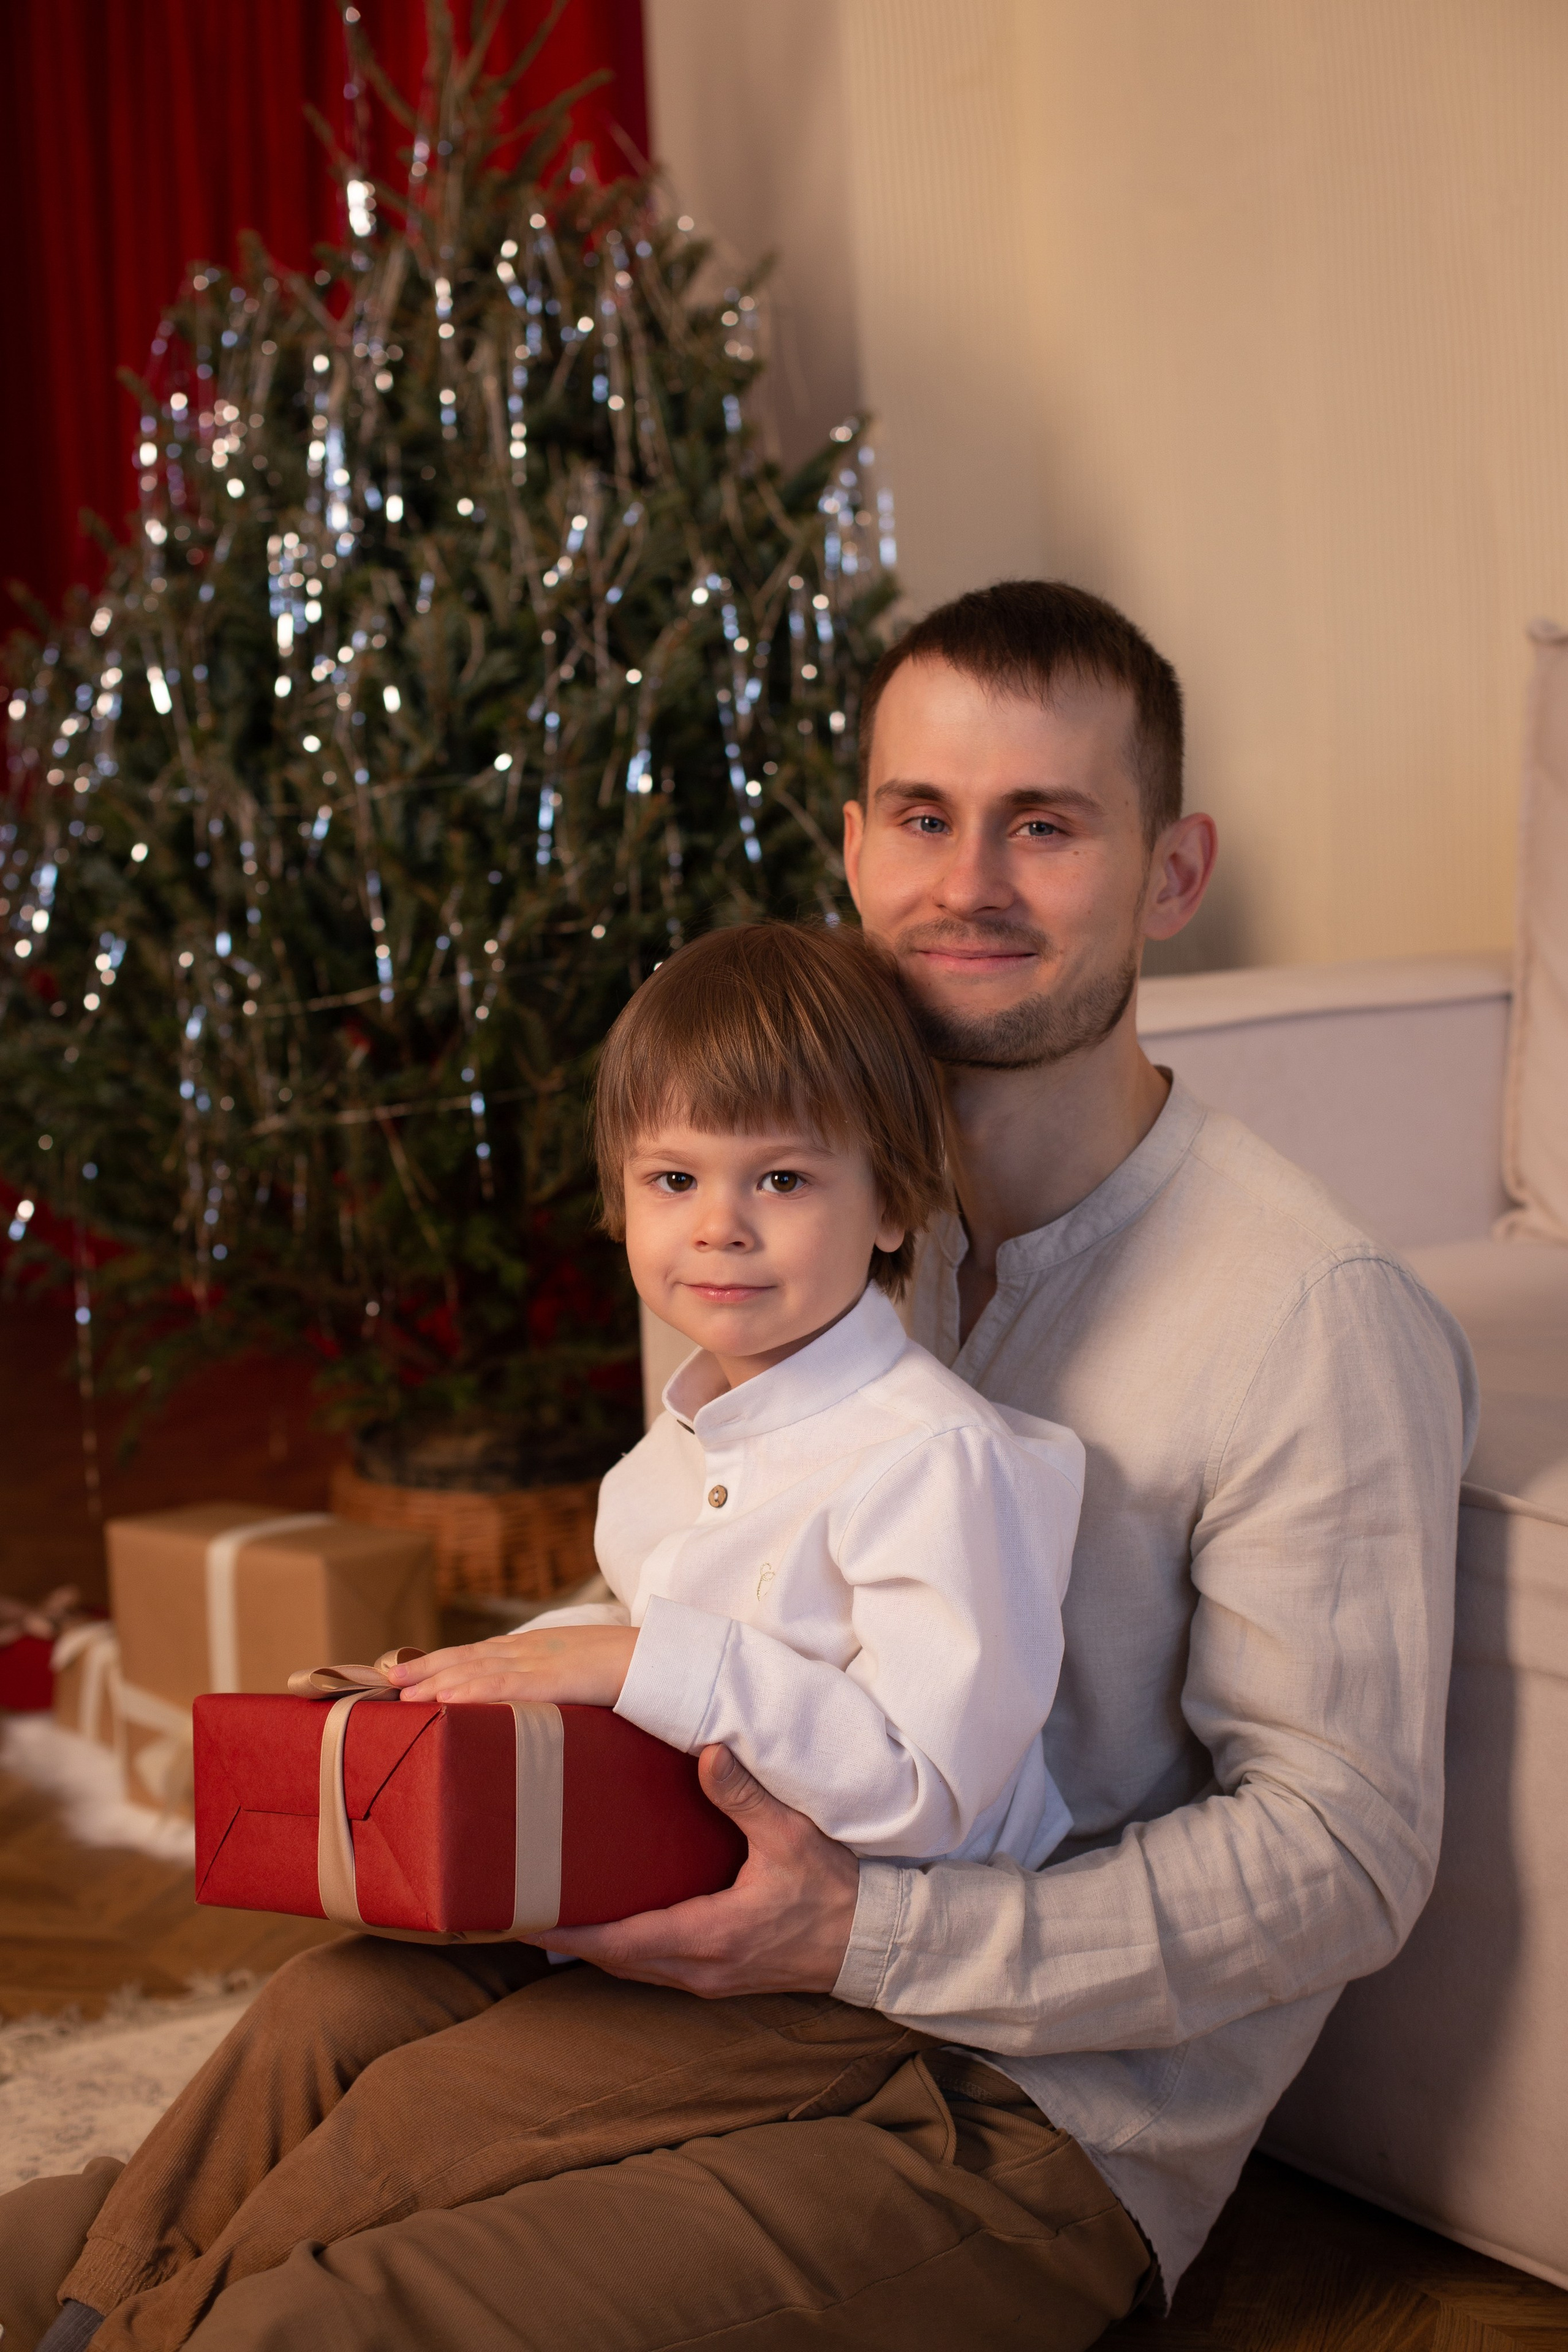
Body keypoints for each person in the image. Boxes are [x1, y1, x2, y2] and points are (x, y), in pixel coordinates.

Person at [2, 581, 1476, 2352]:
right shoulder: (781, 1211)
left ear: (1173, 873)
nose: (972, 882)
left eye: (1049, 827)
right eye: (926, 819)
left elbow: (1345, 1861)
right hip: (681, 1944)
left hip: (1017, 2115)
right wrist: (476, 1689)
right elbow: (705, 1593)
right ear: (856, 848)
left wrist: (857, 1936)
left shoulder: (1313, 1316)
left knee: (316, 2320)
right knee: (229, 2120)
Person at [432, 921, 1085, 1872]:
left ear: (894, 1204)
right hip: (678, 1883)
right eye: (673, 1178)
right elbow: (647, 1655)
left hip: (870, 1958)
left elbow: (926, 1789)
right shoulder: (668, 1459)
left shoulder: (936, 1462)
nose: (717, 1227)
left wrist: (634, 1662)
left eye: (781, 1178)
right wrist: (481, 1679)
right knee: (331, 2003)